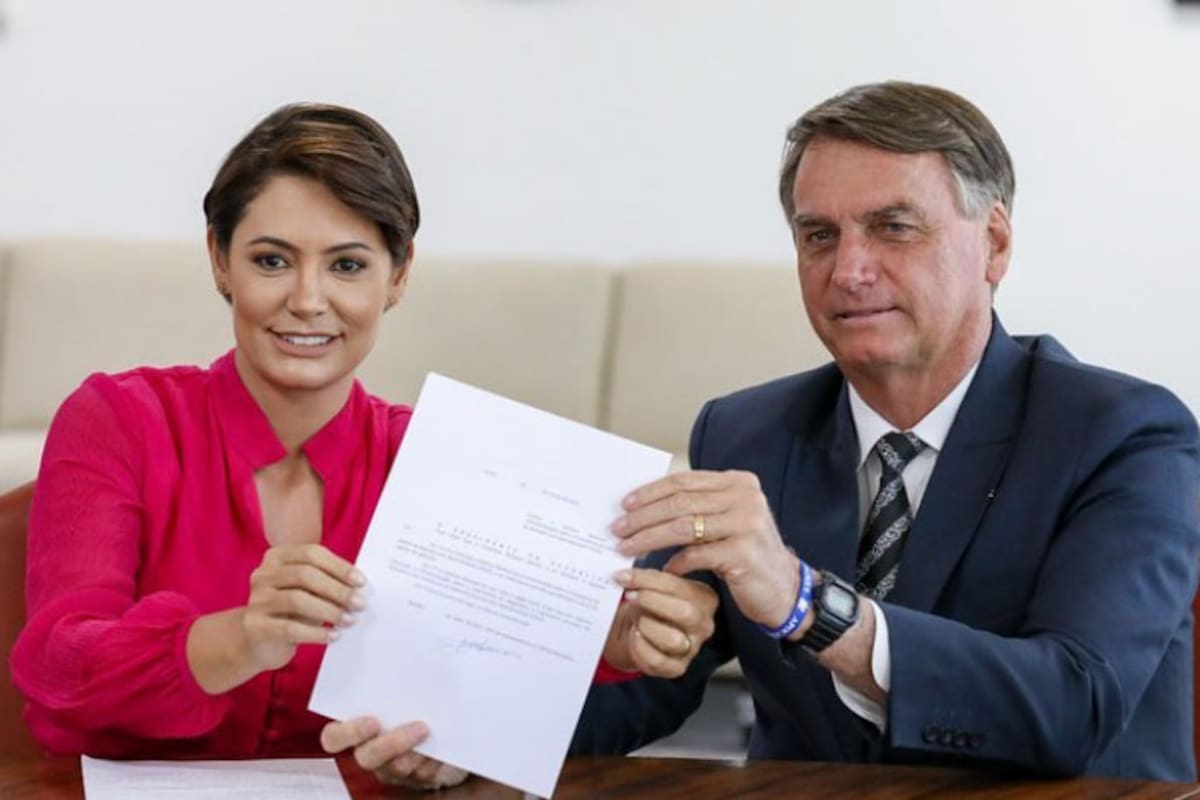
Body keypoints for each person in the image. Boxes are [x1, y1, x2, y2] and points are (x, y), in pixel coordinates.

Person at [10, 103, 717, 791]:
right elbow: (55, 662)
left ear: (397, 277)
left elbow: (496, 660)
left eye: (347, 266)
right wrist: (239, 638)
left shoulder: (439, 454)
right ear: (220, 261)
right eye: (271, 260)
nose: (307, 299)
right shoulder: (119, 420)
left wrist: (612, 640)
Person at [572, 81, 1200, 781]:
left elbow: (1072, 706)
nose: (848, 271)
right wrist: (602, 659)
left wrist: (808, 606)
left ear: (993, 244)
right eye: (819, 236)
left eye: (894, 227)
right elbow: (642, 694)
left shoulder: (1124, 436)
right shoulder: (746, 434)